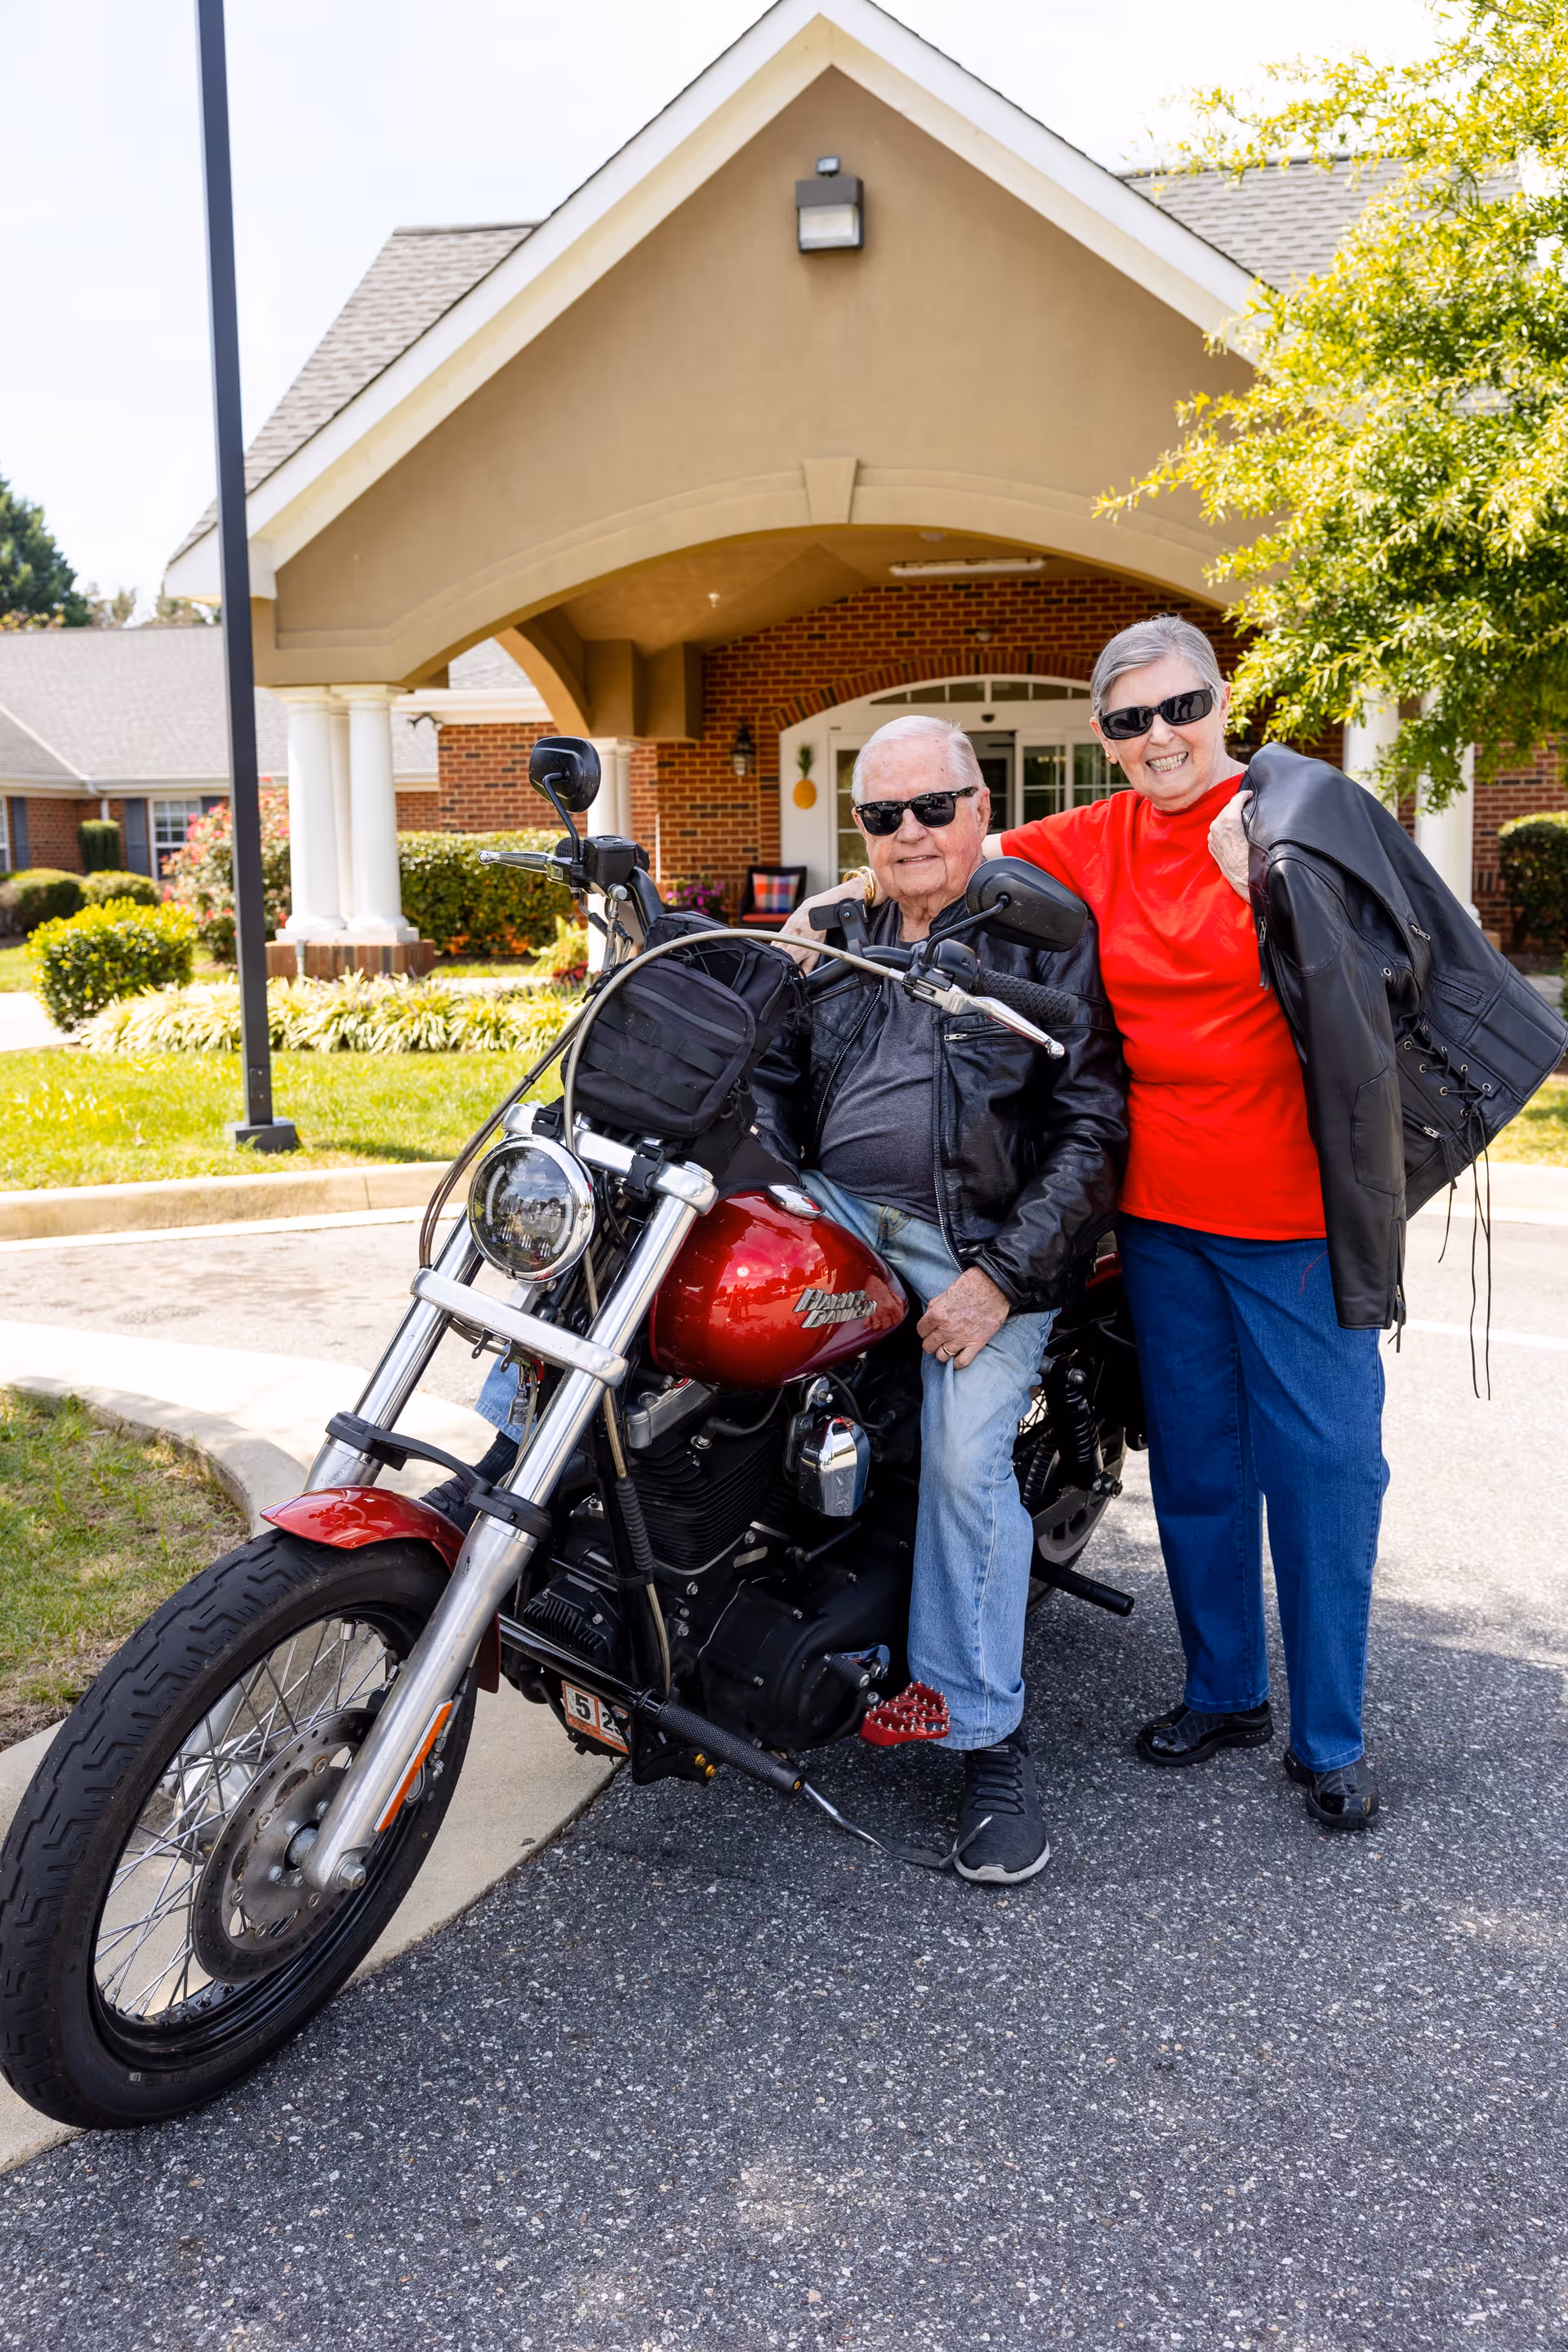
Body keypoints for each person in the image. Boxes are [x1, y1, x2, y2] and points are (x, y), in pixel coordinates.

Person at [786, 614, 1565, 1832]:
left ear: (1221, 704)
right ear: (1104, 738)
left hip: (1296, 1217)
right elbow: (934, 843)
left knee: (1324, 1478)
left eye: (1182, 709)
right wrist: (835, 897)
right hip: (1157, 1212)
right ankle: (1224, 1693)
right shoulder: (1090, 843)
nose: (1163, 739)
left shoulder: (1295, 820)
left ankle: (1329, 1739)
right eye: (1133, 721)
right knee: (1202, 1471)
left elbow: (1396, 967)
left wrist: (1274, 892)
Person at [755, 713, 1128, 1882]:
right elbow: (763, 1079)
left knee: (968, 1462)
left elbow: (1092, 1125)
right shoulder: (840, 931)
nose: (908, 833)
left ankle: (985, 1739)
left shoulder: (1037, 934)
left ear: (979, 807)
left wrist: (1000, 1277)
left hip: (976, 1242)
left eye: (932, 808)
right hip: (832, 1211)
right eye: (881, 815)